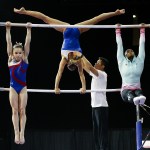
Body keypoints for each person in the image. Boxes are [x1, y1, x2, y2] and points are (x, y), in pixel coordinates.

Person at [14, 7, 125, 94]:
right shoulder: (79, 60)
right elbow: (81, 75)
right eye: (74, 63)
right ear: (74, 63)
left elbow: (59, 73)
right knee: (96, 20)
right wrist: (84, 88)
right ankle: (115, 13)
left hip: (66, 30)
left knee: (45, 18)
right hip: (77, 30)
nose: (72, 61)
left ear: (68, 63)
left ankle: (24, 12)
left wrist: (56, 87)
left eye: (70, 63)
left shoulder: (64, 58)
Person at [6, 21, 32, 144]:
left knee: (22, 110)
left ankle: (22, 133)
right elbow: (9, 43)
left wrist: (29, 30)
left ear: (22, 54)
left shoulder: (25, 58)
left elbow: (27, 43)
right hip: (13, 87)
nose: (18, 55)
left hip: (22, 87)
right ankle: (16, 132)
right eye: (16, 53)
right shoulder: (10, 59)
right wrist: (7, 29)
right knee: (15, 110)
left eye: (19, 53)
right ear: (12, 53)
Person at [115, 23, 146, 105]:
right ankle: (134, 99)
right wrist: (117, 31)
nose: (129, 51)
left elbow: (142, 45)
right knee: (130, 95)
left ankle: (139, 98)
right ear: (124, 55)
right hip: (125, 90)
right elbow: (120, 45)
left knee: (139, 94)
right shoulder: (121, 61)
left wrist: (142, 30)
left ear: (134, 53)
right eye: (127, 51)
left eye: (131, 50)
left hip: (137, 89)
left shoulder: (140, 60)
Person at [84, 57, 109, 150]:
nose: (95, 63)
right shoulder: (95, 75)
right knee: (96, 134)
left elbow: (89, 67)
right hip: (94, 106)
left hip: (101, 106)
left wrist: (81, 56)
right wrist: (78, 61)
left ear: (102, 66)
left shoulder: (102, 74)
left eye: (98, 62)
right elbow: (86, 67)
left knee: (102, 134)